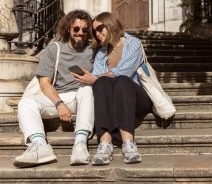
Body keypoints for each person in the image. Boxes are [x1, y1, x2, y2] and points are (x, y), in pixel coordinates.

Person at [14, 10, 95, 168]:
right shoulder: (55, 49)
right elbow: (45, 83)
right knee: (26, 103)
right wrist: (59, 103)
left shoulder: (94, 50)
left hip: (85, 99)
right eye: (76, 29)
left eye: (85, 30)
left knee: (87, 89)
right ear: (68, 29)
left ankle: (80, 144)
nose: (81, 33)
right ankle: (40, 146)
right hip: (61, 98)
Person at [73, 12, 152, 166]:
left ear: (110, 25)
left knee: (121, 80)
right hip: (113, 100)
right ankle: (105, 145)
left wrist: (95, 78)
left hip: (136, 99)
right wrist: (93, 78)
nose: (97, 33)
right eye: (94, 31)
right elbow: (98, 78)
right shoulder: (101, 53)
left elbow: (125, 71)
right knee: (102, 83)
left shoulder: (132, 43)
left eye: (100, 28)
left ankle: (128, 144)